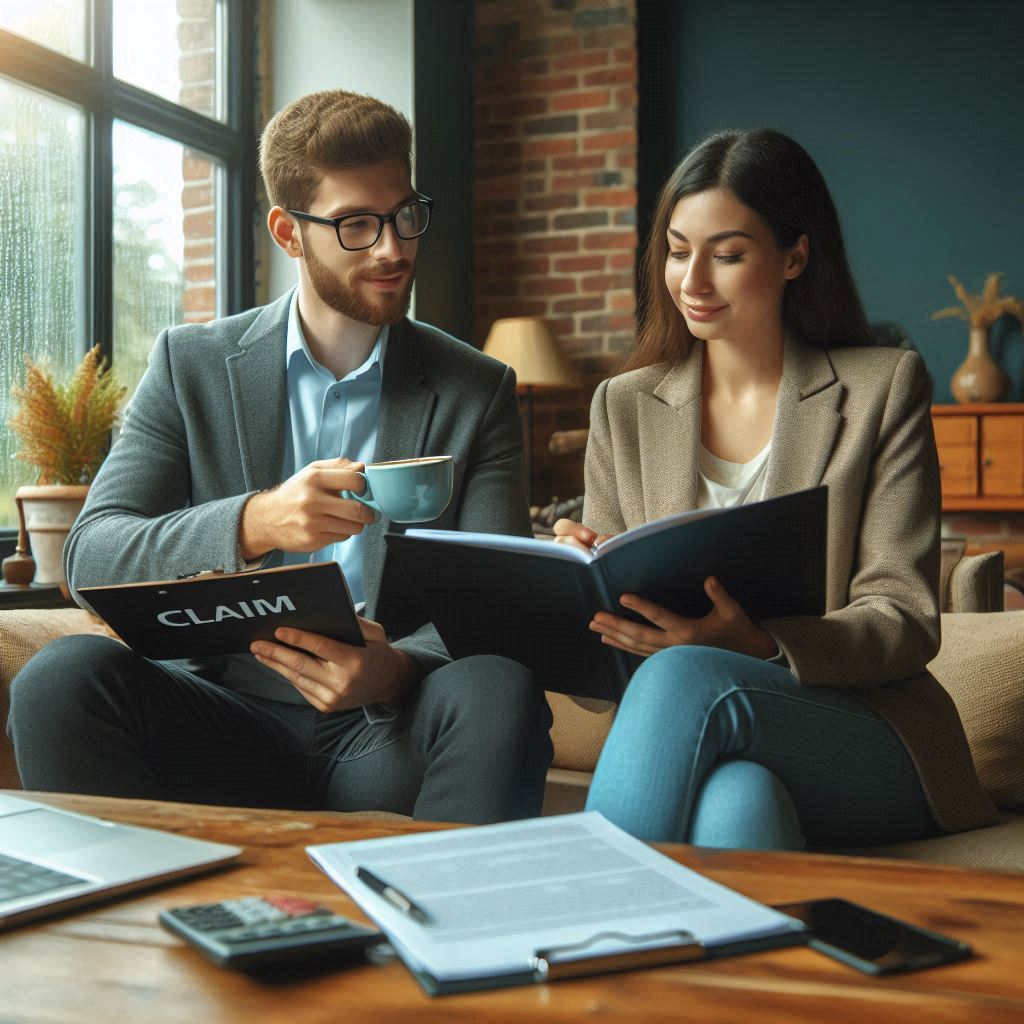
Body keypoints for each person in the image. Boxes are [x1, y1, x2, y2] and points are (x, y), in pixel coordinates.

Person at [8, 89, 552, 823]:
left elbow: (505, 609)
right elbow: (92, 556)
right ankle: (126, 925)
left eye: (404, 216)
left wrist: (393, 669)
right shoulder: (189, 364)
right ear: (288, 233)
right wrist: (255, 522)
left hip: (381, 733)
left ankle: (444, 928)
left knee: (495, 685)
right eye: (357, 224)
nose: (393, 247)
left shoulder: (476, 390)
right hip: (220, 721)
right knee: (60, 677)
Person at [554, 129, 996, 850]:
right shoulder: (623, 407)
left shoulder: (882, 388)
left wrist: (761, 644)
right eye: (676, 249)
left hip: (866, 733)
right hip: (715, 730)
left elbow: (904, 618)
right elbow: (602, 679)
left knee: (690, 676)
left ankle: (571, 916)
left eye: (727, 255)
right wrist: (580, 591)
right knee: (737, 804)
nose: (692, 280)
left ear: (795, 256)